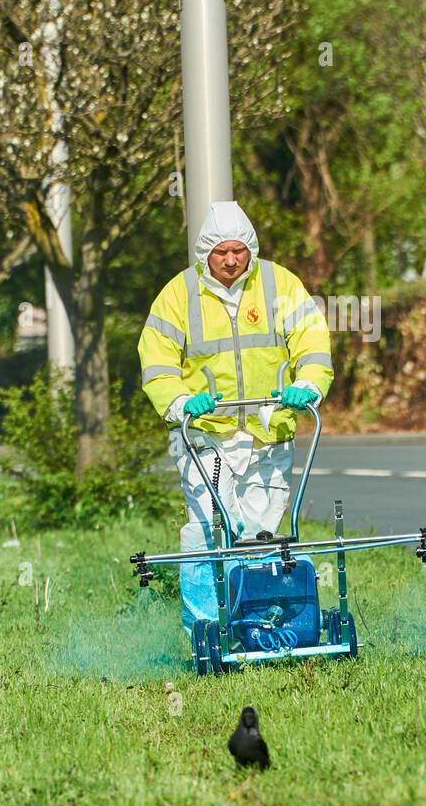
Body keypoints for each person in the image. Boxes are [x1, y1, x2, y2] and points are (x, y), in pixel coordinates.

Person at [138, 201, 333, 635]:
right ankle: (206, 629)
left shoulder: (280, 285)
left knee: (264, 533)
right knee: (211, 526)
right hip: (205, 435)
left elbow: (313, 344)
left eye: (239, 251)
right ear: (204, 252)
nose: (231, 260)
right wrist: (181, 402)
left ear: (252, 249)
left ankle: (261, 626)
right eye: (221, 252)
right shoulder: (177, 296)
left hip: (270, 429)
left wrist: (309, 386)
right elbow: (157, 364)